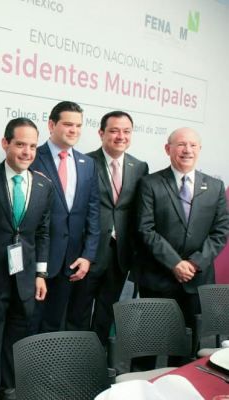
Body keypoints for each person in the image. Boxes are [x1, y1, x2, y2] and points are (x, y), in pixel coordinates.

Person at [0, 118, 52, 400]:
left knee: (16, 338)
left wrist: (40, 274)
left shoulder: (43, 185)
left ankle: (9, 389)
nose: (27, 152)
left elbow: (43, 232)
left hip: (26, 278)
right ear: (5, 143)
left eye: (32, 146)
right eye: (20, 144)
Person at [137, 127, 229, 349]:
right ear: (168, 149)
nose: (187, 150)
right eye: (181, 144)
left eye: (193, 145)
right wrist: (175, 263)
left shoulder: (215, 186)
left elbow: (221, 231)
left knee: (188, 346)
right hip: (158, 278)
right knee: (150, 346)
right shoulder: (150, 183)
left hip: (197, 280)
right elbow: (145, 229)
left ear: (199, 149)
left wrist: (194, 263)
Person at [78, 111, 149, 346]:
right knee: (79, 311)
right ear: (101, 133)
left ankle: (97, 358)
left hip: (120, 254)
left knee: (106, 312)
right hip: (88, 252)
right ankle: (75, 358)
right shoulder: (85, 162)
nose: (121, 136)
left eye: (126, 131)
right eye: (114, 130)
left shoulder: (139, 167)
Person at [30, 101, 100, 334]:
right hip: (37, 259)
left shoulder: (88, 164)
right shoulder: (32, 156)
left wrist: (88, 256)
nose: (74, 130)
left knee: (54, 325)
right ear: (52, 125)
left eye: (78, 126)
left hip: (70, 262)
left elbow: (93, 213)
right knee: (29, 324)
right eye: (68, 124)